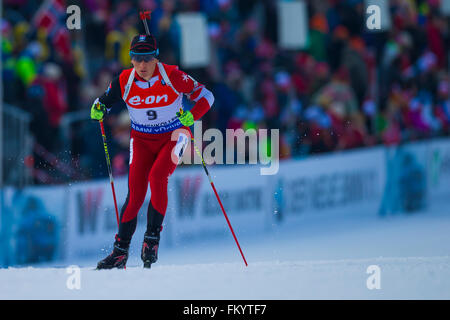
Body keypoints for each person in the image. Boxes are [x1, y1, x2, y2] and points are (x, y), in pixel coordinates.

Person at [91, 34, 214, 269]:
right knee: (136, 193)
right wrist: (97, 108)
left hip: (175, 136)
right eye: (137, 59)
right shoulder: (124, 80)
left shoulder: (172, 75)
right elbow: (104, 101)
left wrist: (193, 116)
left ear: (156, 59)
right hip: (141, 140)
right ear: (131, 60)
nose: (142, 65)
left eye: (147, 59)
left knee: (158, 177)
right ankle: (119, 251)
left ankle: (151, 240)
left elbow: (207, 95)